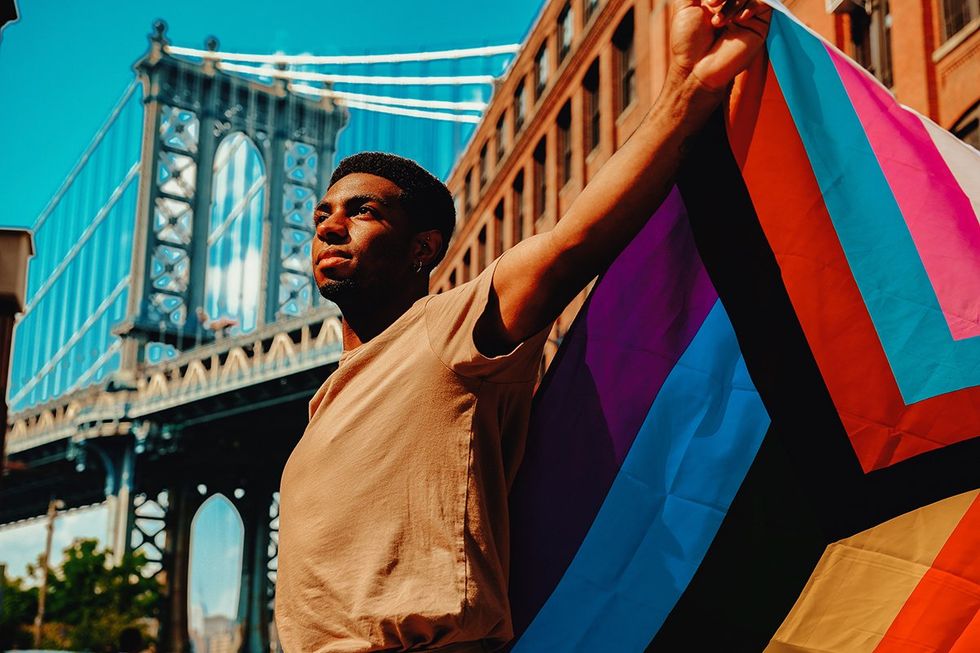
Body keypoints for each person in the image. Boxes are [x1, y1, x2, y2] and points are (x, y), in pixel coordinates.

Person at [274, 1, 772, 650]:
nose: (329, 227)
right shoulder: (323, 407)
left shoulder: (445, 333)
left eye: (362, 212)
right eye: (322, 215)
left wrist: (689, 86)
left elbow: (572, 245)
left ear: (423, 248)